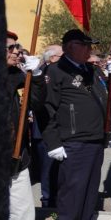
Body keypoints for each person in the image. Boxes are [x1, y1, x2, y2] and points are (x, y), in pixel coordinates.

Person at [43, 29, 111, 220]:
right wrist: (53, 142)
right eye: (83, 45)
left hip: (95, 137)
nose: (89, 49)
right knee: (73, 188)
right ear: (68, 47)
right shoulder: (56, 71)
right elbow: (47, 110)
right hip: (73, 140)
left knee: (89, 186)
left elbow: (108, 97)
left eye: (90, 45)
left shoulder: (91, 70)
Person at [6, 32, 49, 220]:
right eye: (10, 48)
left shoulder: (14, 75)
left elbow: (37, 102)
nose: (16, 52)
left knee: (23, 212)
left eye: (17, 47)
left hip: (17, 158)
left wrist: (38, 75)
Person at [31, 44, 63, 208]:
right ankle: (48, 203)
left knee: (56, 170)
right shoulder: (44, 73)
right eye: (60, 56)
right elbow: (45, 104)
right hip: (44, 130)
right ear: (51, 58)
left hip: (56, 128)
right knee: (48, 170)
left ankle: (55, 201)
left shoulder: (55, 71)